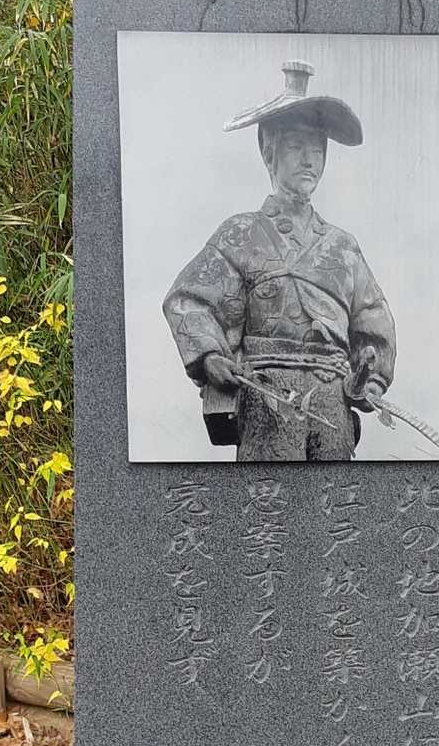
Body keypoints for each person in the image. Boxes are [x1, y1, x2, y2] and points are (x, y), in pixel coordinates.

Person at [163, 60, 396, 462]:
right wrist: (210, 357)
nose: (308, 160)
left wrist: (371, 379)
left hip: (332, 399)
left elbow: (372, 318)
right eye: (296, 147)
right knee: (268, 491)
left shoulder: (342, 247)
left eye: (316, 150)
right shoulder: (240, 233)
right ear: (270, 152)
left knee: (334, 494)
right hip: (265, 395)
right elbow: (187, 300)